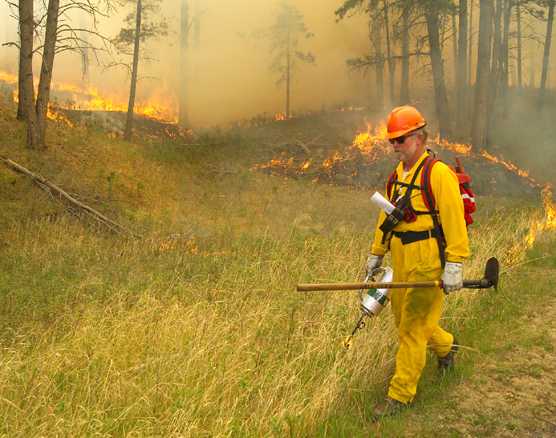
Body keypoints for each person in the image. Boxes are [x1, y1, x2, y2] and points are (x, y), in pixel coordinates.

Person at [366, 105, 470, 420]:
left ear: (419, 136)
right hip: (401, 260)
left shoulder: (438, 173)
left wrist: (455, 263)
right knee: (406, 322)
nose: (396, 146)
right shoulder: (395, 178)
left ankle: (400, 397)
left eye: (401, 139)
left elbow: (454, 220)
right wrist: (377, 251)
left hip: (428, 261)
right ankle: (446, 346)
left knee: (410, 327)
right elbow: (388, 216)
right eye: (392, 141)